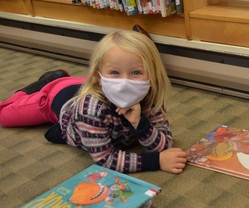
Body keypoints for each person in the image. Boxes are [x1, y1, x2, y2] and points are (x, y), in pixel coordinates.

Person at [0, 30, 188, 174]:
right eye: (114, 73)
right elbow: (105, 159)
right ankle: (46, 82)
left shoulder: (150, 97)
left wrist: (141, 123)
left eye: (136, 73)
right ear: (98, 77)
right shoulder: (90, 109)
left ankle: (64, 78)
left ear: (153, 75)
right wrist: (156, 161)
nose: (124, 83)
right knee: (4, 115)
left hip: (83, 86)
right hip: (56, 97)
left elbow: (165, 144)